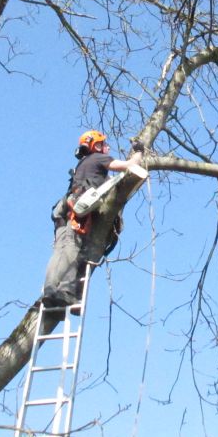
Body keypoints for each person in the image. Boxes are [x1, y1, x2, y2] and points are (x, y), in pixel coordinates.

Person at [41, 130, 144, 309]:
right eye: (104, 144)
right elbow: (128, 165)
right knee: (73, 248)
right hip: (77, 211)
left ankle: (50, 290)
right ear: (96, 146)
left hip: (63, 213)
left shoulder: (83, 164)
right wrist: (139, 151)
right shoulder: (98, 158)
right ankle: (66, 291)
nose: (107, 147)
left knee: (60, 251)